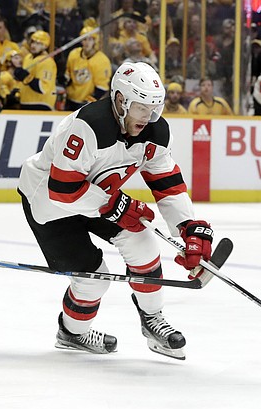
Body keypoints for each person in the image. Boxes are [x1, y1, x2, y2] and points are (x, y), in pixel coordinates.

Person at [17, 62, 214, 359]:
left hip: (96, 197)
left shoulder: (155, 131)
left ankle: (152, 320)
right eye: (141, 108)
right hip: (48, 202)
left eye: (154, 109)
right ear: (120, 100)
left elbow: (168, 184)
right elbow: (62, 191)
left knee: (143, 242)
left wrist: (187, 227)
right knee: (93, 280)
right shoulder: (88, 126)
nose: (148, 118)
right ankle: (72, 333)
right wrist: (115, 205)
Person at [64, 26, 111, 111]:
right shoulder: (74, 54)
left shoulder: (102, 60)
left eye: (90, 39)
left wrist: (90, 101)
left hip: (87, 103)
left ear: (95, 41)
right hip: (71, 99)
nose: (86, 42)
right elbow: (68, 75)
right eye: (84, 39)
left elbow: (102, 87)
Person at [13, 30, 56, 110]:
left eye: (38, 43)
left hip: (41, 104)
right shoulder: (28, 58)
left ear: (45, 46)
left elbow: (43, 88)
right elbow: (25, 82)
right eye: (33, 42)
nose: (33, 46)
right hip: (25, 102)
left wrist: (26, 76)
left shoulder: (47, 62)